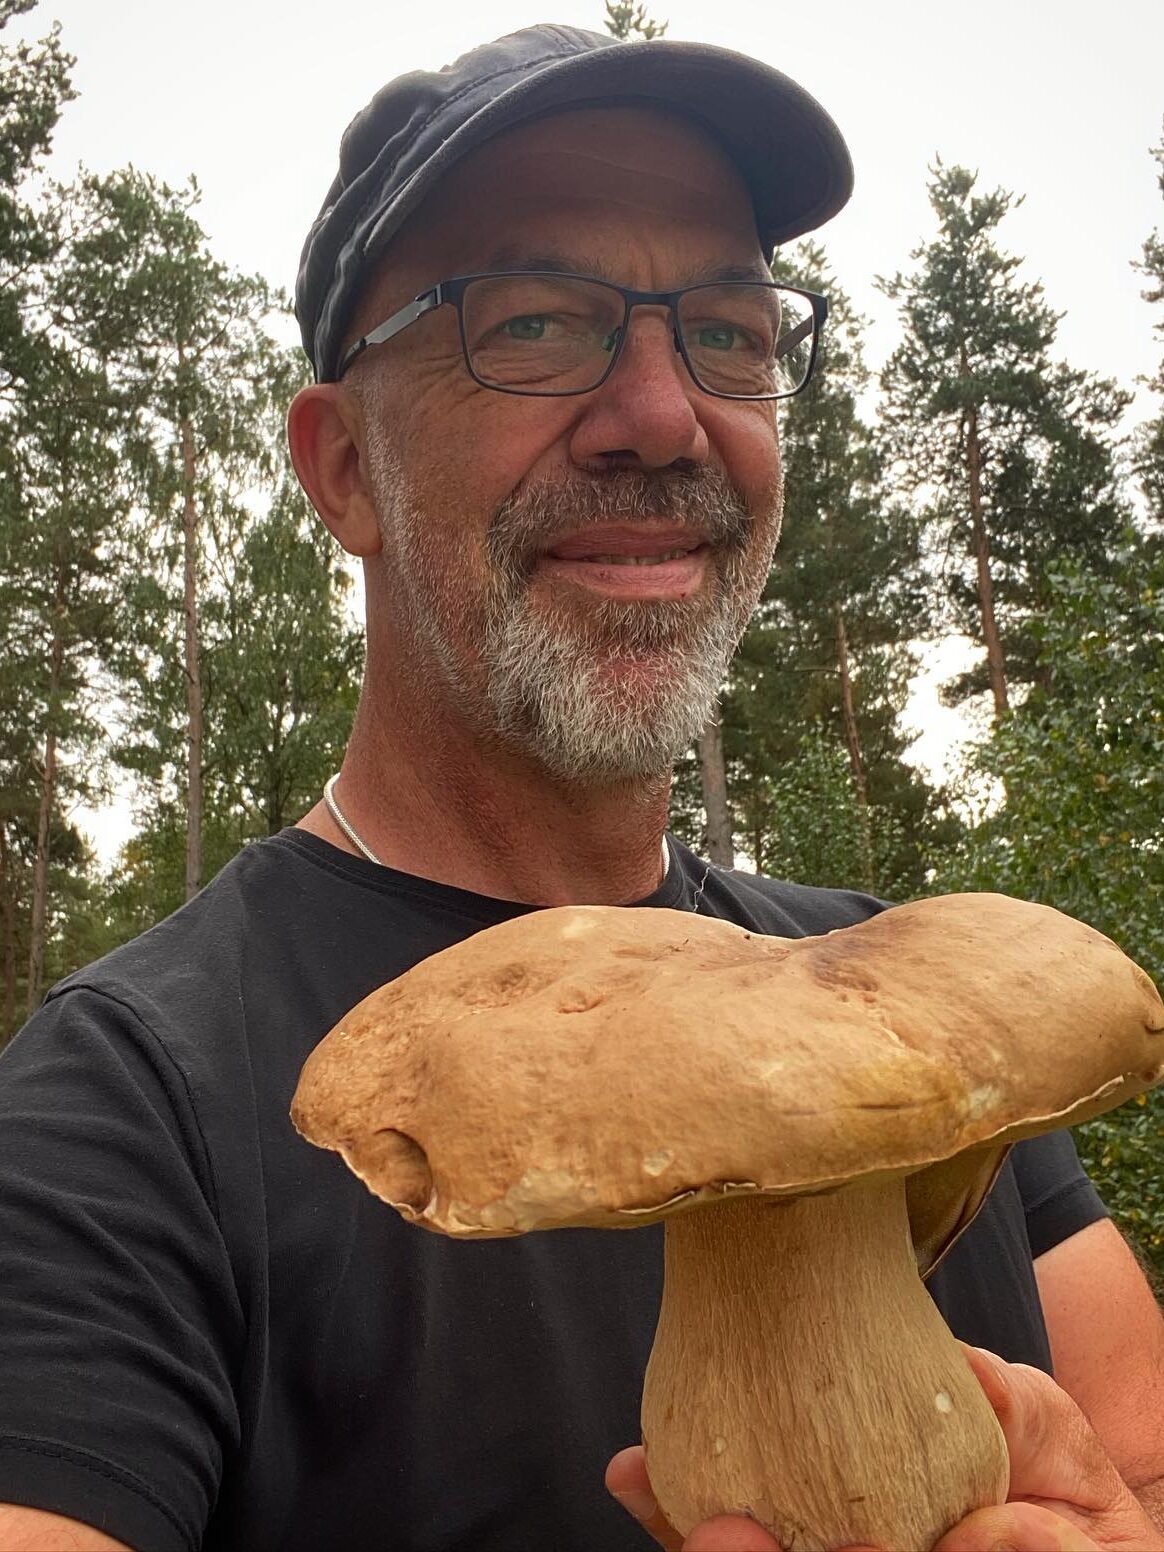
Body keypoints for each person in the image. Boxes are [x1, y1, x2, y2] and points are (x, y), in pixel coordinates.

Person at [0, 23, 1162, 1552]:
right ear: (343, 468)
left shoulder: (915, 1022)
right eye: (537, 323)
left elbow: (1141, 1460)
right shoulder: (121, 1108)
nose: (666, 418)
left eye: (729, 333)